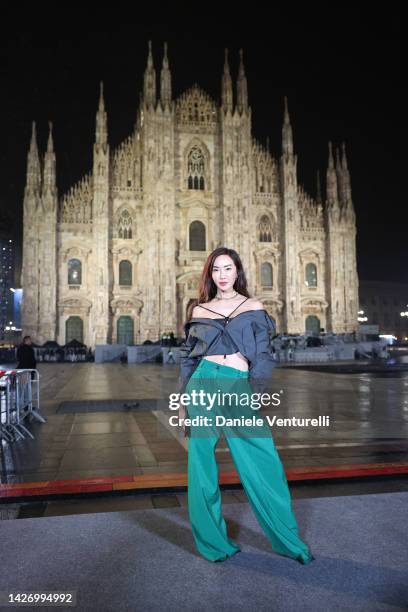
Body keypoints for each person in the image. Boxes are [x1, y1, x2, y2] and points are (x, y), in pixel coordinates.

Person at [179, 246, 314, 565]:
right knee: (202, 467)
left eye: (228, 268)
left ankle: (287, 539)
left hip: (238, 385)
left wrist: (253, 392)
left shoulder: (253, 306)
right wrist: (184, 403)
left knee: (264, 461)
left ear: (237, 271)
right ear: (209, 275)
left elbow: (264, 358)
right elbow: (188, 359)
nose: (222, 275)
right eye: (216, 270)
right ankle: (213, 543)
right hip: (203, 383)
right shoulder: (200, 310)